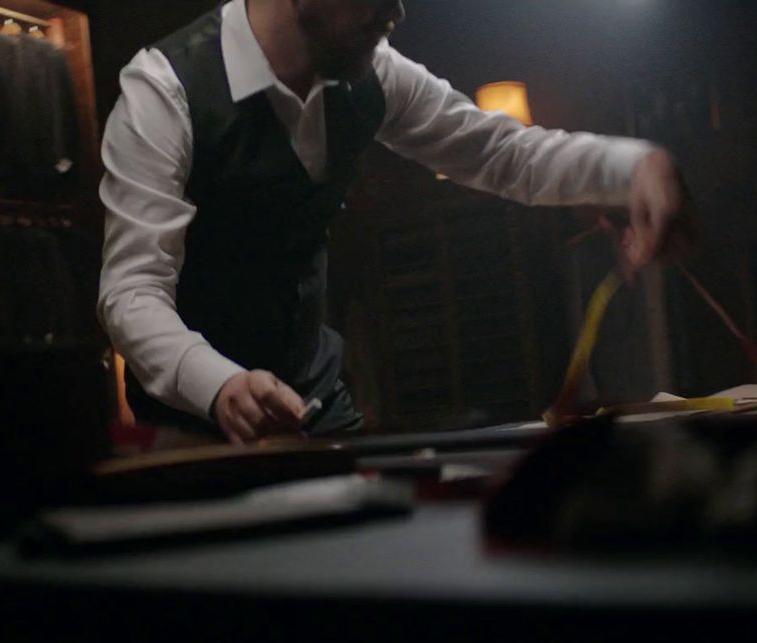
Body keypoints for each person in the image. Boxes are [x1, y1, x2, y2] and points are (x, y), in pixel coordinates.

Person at [98, 0, 690, 444]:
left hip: (320, 413)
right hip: (191, 438)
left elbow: (500, 153)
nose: (399, 10)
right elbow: (131, 294)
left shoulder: (375, 72)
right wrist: (221, 386)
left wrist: (634, 167)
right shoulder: (162, 90)